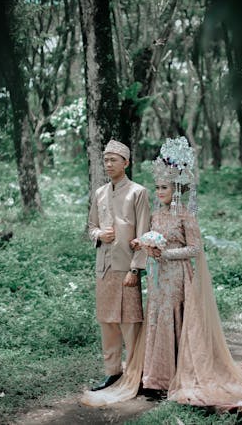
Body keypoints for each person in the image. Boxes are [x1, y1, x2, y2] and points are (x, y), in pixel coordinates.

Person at [82, 137, 242, 423]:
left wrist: (163, 254)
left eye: (164, 187)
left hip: (178, 276)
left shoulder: (185, 215)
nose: (159, 192)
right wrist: (144, 245)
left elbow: (195, 249)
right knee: (157, 322)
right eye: (158, 187)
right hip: (158, 278)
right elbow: (141, 237)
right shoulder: (155, 214)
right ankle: (154, 378)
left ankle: (176, 375)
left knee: (175, 322)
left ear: (176, 189)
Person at [87, 139, 151, 392]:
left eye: (114, 160)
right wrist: (99, 235)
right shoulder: (100, 193)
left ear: (126, 163)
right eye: (106, 160)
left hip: (126, 267)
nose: (108, 164)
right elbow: (91, 227)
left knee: (130, 322)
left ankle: (137, 374)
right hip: (103, 267)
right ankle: (112, 372)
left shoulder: (138, 192)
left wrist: (136, 269)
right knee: (107, 322)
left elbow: (144, 233)